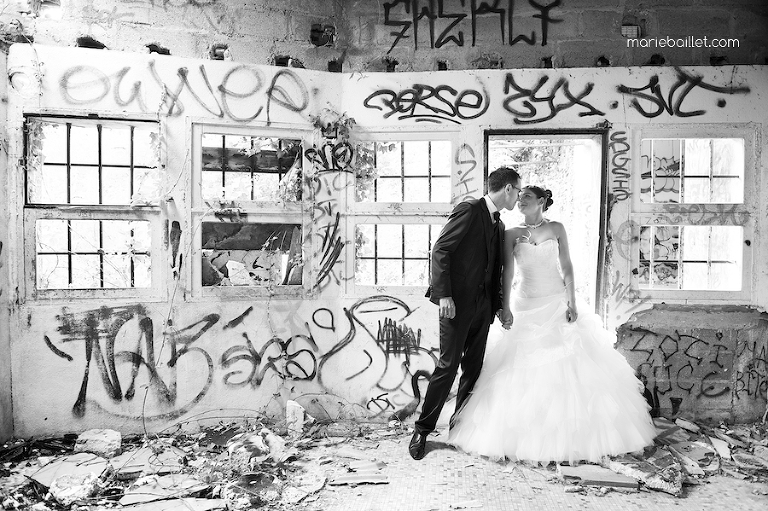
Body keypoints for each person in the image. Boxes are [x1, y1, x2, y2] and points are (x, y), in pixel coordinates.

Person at [448, 185, 656, 464]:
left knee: (570, 364)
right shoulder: (510, 233)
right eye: (519, 197)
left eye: (526, 198)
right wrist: (505, 306)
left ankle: (575, 437)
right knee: (517, 368)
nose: (520, 200)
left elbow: (567, 266)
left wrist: (571, 301)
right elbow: (507, 272)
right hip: (525, 303)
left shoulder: (557, 228)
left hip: (556, 301)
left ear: (542, 202)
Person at [409, 167, 521, 461]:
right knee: (447, 366)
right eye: (517, 191)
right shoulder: (470, 209)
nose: (518, 197)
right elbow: (441, 250)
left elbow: (495, 270)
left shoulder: (499, 225)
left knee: (473, 369)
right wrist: (444, 294)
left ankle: (458, 429)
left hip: (483, 309)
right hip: (455, 305)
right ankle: (422, 430)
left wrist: (498, 305)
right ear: (507, 189)